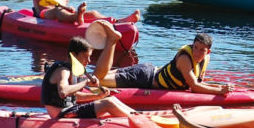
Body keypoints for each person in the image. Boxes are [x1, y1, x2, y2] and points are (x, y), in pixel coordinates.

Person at [93, 28, 233, 96]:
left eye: (202, 50)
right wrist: (220, 92)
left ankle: (79, 78)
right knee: (98, 80)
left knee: (96, 78)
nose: (197, 52)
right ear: (192, 45)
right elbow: (194, 87)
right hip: (144, 78)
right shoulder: (185, 58)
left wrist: (220, 87)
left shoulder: (204, 59)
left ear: (208, 52)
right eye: (195, 48)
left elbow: (199, 83)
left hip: (147, 70)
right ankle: (112, 41)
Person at [41, 32, 132, 119]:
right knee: (108, 103)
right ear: (73, 55)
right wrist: (86, 82)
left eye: (89, 57)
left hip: (69, 110)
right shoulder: (63, 71)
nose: (88, 61)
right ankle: (136, 120)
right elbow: (63, 92)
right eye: (85, 56)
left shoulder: (71, 70)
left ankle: (136, 115)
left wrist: (98, 96)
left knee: (112, 99)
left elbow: (73, 96)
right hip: (63, 114)